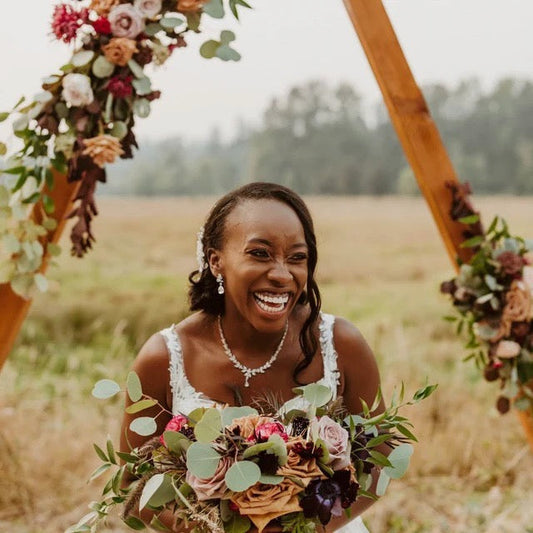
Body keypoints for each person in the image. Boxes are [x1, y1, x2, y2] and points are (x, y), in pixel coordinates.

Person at [120, 182, 386, 532]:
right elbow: (131, 490)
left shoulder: (341, 344)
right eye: (260, 253)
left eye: (297, 257)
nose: (281, 274)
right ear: (216, 261)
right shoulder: (165, 357)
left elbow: (380, 466)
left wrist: (308, 529)